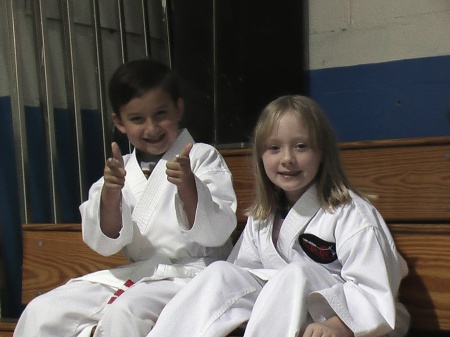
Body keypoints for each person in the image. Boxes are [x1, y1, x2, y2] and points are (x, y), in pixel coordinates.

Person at [147, 95, 410, 337]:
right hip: (282, 321)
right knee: (221, 274)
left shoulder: (352, 215)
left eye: (301, 146)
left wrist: (337, 325)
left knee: (296, 273)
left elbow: (375, 292)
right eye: (274, 148)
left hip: (349, 326)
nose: (287, 159)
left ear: (323, 153)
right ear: (261, 156)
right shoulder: (263, 216)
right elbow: (244, 280)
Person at [13, 59, 237, 337]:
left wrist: (189, 186)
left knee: (125, 313)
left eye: (160, 114)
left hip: (193, 277)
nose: (151, 128)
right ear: (119, 122)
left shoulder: (201, 156)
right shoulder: (121, 170)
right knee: (42, 310)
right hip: (141, 274)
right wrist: (111, 194)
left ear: (178, 109)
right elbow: (105, 243)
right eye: (137, 119)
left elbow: (217, 232)